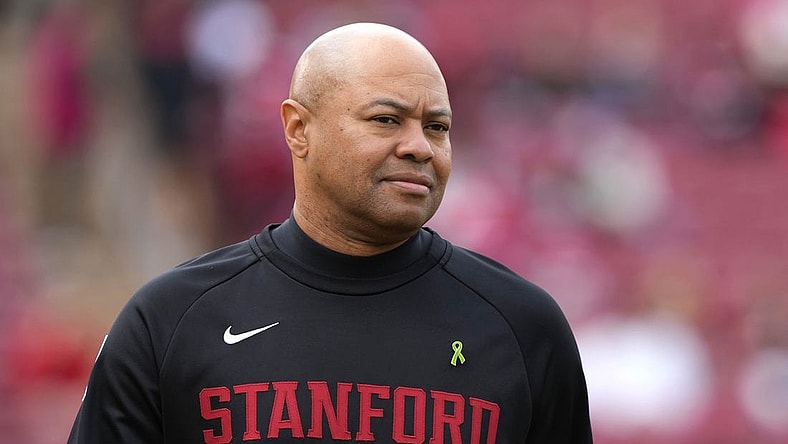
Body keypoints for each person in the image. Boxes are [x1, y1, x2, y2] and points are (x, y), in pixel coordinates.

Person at [67, 22, 592, 443]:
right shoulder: (172, 319)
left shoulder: (524, 327)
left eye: (437, 127)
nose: (420, 147)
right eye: (386, 120)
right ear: (299, 129)